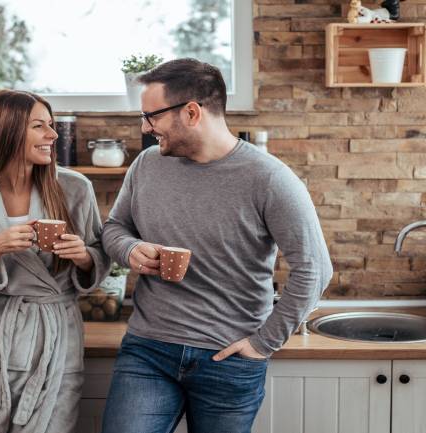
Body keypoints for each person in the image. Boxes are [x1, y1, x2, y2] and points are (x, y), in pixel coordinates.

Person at [100, 58, 334, 433]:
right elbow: (114, 228)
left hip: (228, 359)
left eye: (151, 116)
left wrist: (262, 344)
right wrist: (129, 249)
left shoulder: (270, 179)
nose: (144, 127)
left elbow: (315, 269)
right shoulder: (146, 165)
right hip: (148, 350)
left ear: (192, 112)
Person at [0, 90, 109, 433]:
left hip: (55, 343)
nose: (53, 135)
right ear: (5, 131)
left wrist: (84, 257)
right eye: (40, 126)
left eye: (51, 125)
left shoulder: (75, 189)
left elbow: (99, 261)